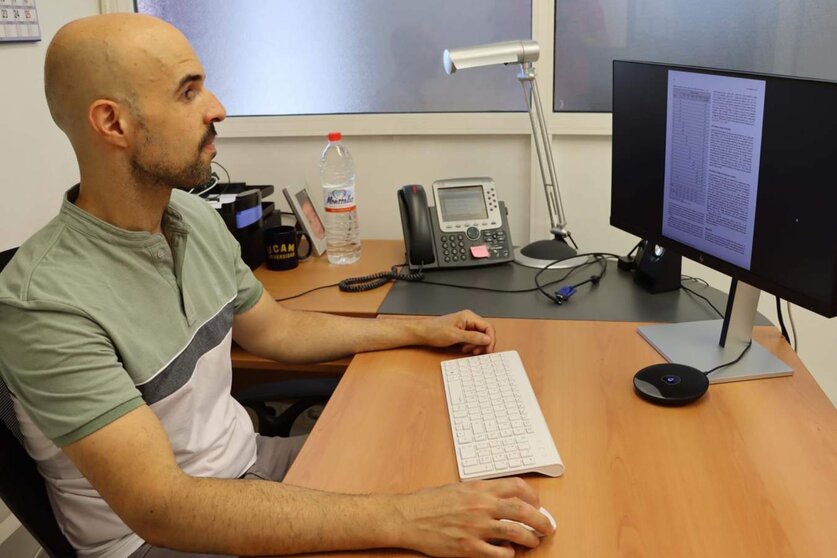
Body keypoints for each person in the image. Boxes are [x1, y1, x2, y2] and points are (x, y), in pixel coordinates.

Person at [0, 13, 554, 558]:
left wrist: (418, 329)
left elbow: (279, 330)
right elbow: (161, 506)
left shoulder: (190, 219)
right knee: (420, 523)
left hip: (248, 467)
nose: (217, 108)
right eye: (189, 93)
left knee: (446, 472)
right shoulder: (46, 303)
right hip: (153, 538)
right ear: (113, 124)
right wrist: (404, 517)